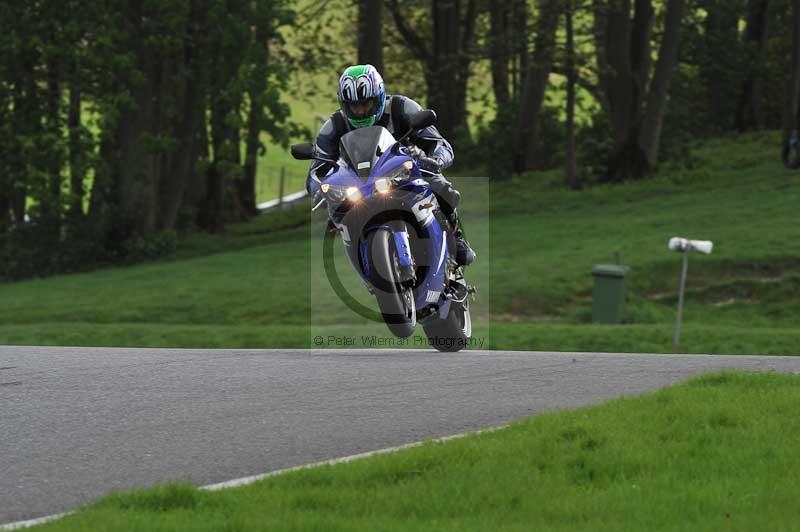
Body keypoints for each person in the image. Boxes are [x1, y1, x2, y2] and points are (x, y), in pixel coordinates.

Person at [306, 64, 475, 266]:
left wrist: (436, 159)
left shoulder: (401, 107)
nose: (360, 111)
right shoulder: (334, 125)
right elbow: (316, 170)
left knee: (439, 185)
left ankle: (456, 235)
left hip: (407, 170)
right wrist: (318, 188)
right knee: (336, 218)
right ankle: (367, 264)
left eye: (366, 103)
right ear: (344, 105)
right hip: (360, 184)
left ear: (379, 97)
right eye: (354, 106)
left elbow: (439, 143)